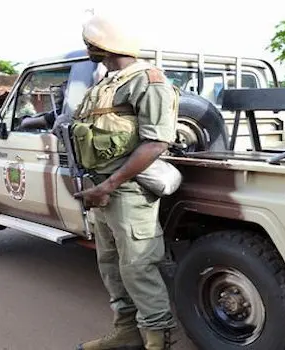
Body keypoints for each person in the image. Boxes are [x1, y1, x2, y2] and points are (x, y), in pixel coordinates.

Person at [73, 14, 179, 350]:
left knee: (138, 268)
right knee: (111, 266)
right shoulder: (105, 83)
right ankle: (127, 332)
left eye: (91, 41)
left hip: (128, 191)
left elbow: (156, 142)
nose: (87, 47)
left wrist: (109, 186)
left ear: (102, 45)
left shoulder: (148, 81)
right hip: (102, 190)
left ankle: (158, 340)